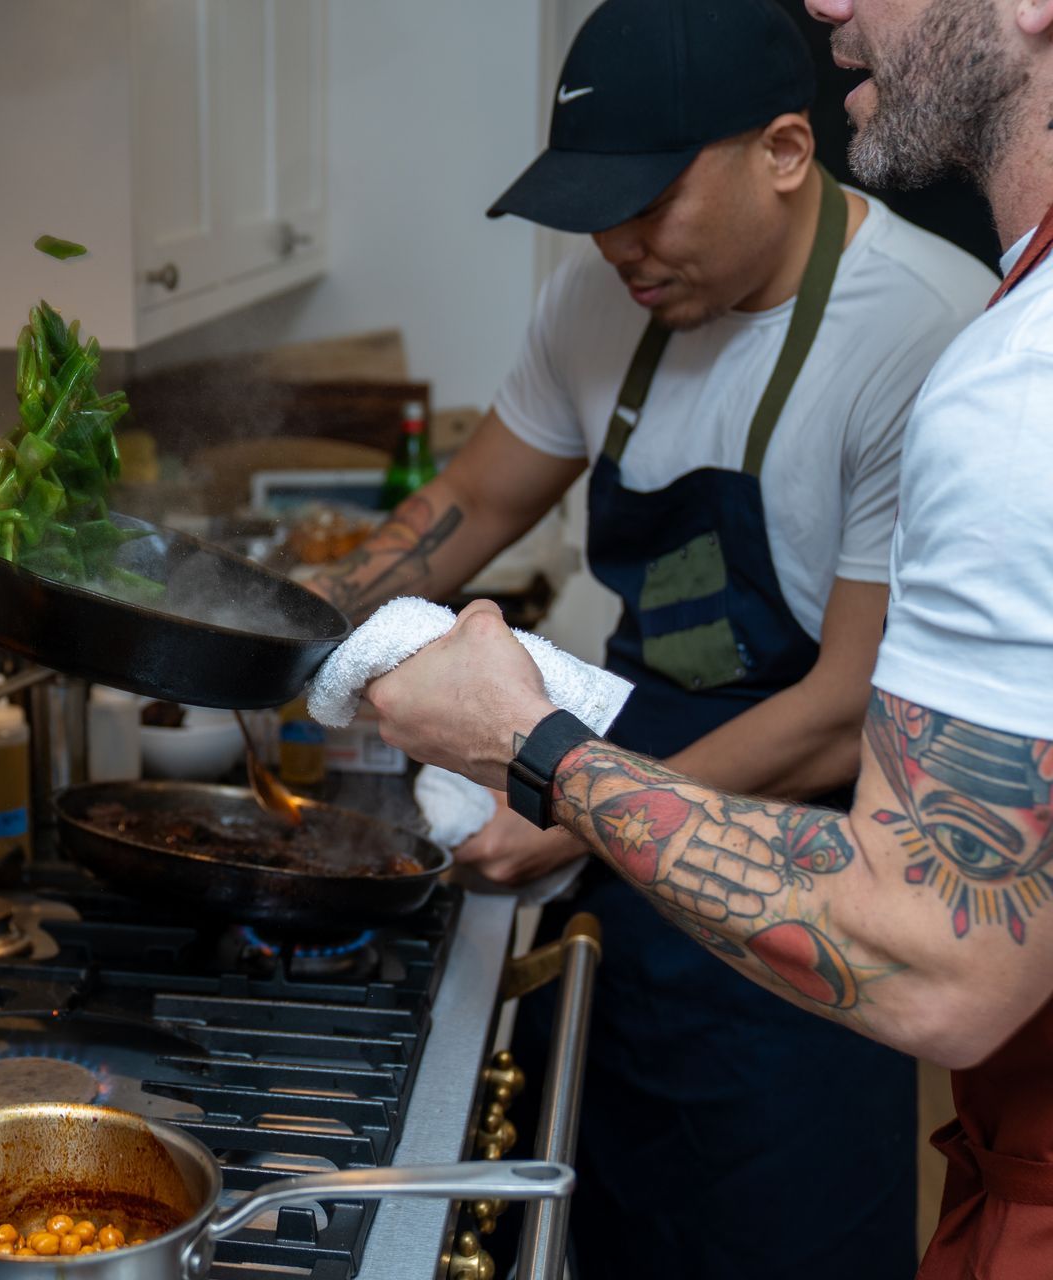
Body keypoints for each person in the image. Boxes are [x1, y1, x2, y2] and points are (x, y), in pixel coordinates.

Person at [362, 0, 1053, 1273]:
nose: (616, 241)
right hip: (633, 857)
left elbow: (845, 703)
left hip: (812, 884)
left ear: (785, 153)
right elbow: (469, 503)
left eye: (651, 200)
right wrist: (308, 628)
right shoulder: (602, 298)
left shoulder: (930, 338)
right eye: (590, 205)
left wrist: (554, 783)